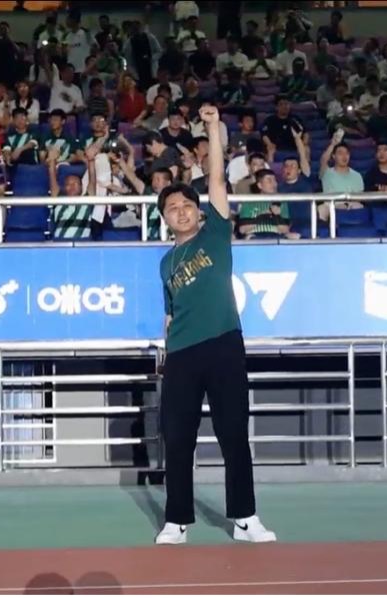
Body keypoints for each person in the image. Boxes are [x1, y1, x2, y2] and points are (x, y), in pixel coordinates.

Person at [153, 105, 276, 546]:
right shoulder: (165, 263)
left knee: (233, 435)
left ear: (199, 212)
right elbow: (170, 315)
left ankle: (245, 518)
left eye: (187, 205)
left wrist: (211, 128)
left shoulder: (216, 235)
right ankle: (176, 522)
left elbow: (218, 179)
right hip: (182, 355)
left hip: (224, 345)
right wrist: (167, 353)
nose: (181, 211)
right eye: (172, 208)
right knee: (178, 439)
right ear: (165, 218)